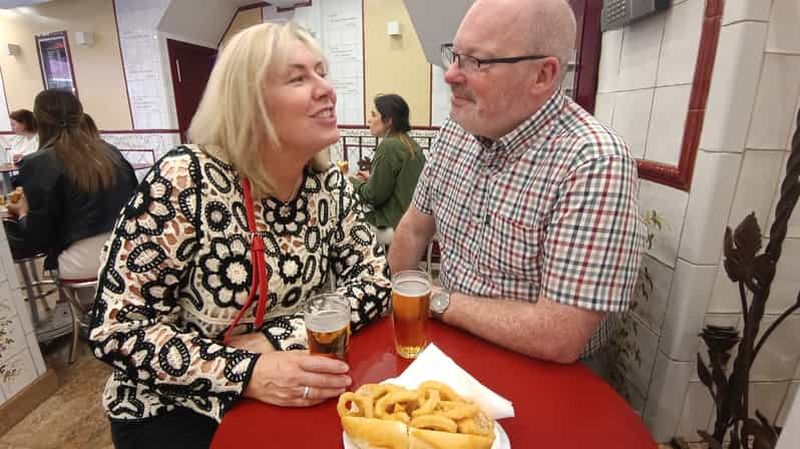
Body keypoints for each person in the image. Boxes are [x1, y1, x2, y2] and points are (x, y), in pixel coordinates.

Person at [89, 22, 391, 449]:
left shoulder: (327, 184)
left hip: (291, 384)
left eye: (322, 73)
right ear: (249, 103)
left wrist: (275, 339)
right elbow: (117, 331)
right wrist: (246, 371)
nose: (327, 89)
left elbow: (376, 283)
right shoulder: (185, 180)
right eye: (298, 78)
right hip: (173, 408)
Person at [388, 0, 646, 365]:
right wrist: (406, 309)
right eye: (455, 55)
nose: (451, 75)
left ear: (542, 75)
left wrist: (434, 300)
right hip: (453, 346)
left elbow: (559, 334)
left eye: (478, 62)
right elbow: (414, 228)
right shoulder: (456, 131)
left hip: (544, 372)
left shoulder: (594, 162)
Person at [5, 90, 137, 279]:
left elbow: (39, 238)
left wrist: (23, 213)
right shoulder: (110, 152)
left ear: (39, 121)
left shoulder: (39, 163)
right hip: (127, 251)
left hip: (82, 260)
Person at [350, 94, 425, 244]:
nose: (369, 120)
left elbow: (373, 196)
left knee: (346, 222)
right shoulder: (412, 145)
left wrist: (351, 180)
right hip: (413, 222)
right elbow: (402, 185)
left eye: (374, 115)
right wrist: (372, 179)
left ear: (389, 120)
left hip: (391, 224)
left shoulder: (389, 146)